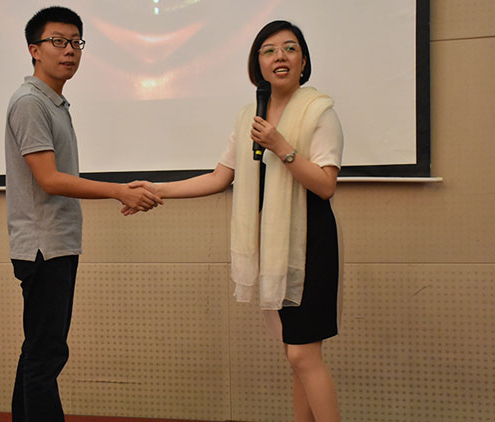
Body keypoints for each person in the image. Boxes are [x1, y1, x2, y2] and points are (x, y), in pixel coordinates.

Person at [127, 20, 343, 422]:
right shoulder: (249, 117)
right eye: (269, 50)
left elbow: (326, 185)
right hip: (272, 243)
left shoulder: (320, 112)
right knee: (294, 353)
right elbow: (219, 177)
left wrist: (281, 146)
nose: (279, 56)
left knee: (303, 354)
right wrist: (158, 189)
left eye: (290, 48)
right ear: (257, 65)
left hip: (310, 242)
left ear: (304, 61)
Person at [4, 6, 162, 422]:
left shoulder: (54, 102)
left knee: (39, 350)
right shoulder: (30, 103)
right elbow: (49, 179)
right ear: (34, 49)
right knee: (46, 355)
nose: (70, 50)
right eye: (58, 42)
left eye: (76, 42)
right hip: (43, 246)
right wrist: (117, 191)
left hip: (57, 243)